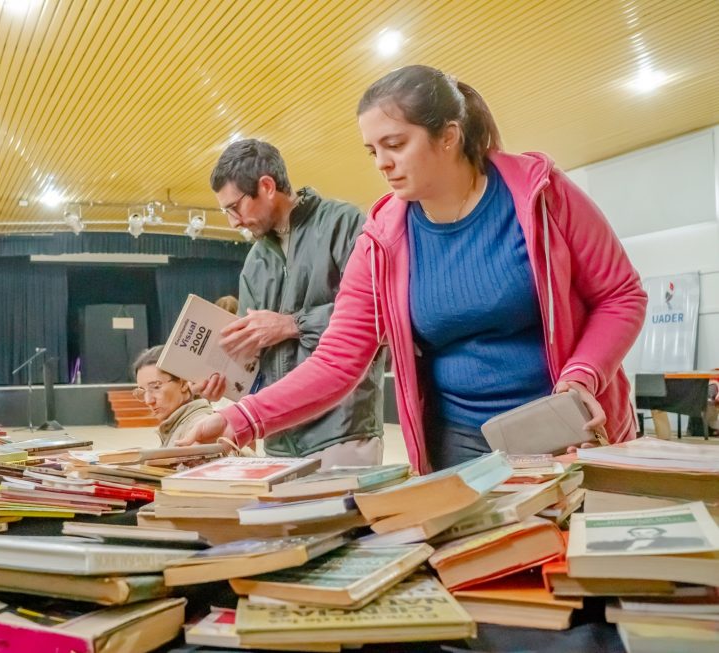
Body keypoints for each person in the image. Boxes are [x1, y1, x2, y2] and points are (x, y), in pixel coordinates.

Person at [180, 65, 647, 474]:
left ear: (448, 136)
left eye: (396, 144)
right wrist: (239, 418)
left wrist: (581, 376)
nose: (383, 164)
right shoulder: (382, 240)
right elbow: (337, 360)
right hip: (457, 441)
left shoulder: (540, 193)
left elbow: (621, 296)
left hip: (561, 425)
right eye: (373, 151)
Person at [192, 139, 386, 468]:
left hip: (342, 432)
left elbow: (377, 317)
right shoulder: (254, 262)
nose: (233, 222)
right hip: (278, 439)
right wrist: (225, 380)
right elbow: (256, 359)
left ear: (267, 186)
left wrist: (292, 324)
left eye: (234, 207)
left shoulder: (343, 224)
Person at [132, 346, 214, 447]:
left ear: (183, 383)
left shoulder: (200, 428)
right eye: (142, 392)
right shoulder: (176, 426)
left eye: (156, 387)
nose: (148, 400)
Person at [586, 526, 706, 552]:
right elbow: (593, 544)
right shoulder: (623, 543)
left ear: (659, 533)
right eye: (638, 533)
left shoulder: (673, 541)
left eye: (649, 532)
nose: (643, 534)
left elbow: (697, 542)